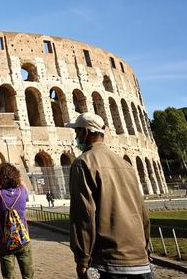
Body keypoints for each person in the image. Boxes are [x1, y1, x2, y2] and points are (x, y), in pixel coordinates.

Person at [66, 113, 151, 279]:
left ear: (85, 132)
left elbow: (83, 216)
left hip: (109, 260)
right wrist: (145, 249)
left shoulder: (84, 162)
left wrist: (82, 259)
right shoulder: (125, 164)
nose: (76, 137)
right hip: (140, 258)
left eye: (77, 132)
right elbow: (143, 213)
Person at [0, 163, 33, 279]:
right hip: (23, 238)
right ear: (16, 176)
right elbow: (24, 187)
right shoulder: (22, 191)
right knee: (28, 276)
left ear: (0, 179)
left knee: (9, 277)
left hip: (4, 240)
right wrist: (15, 173)